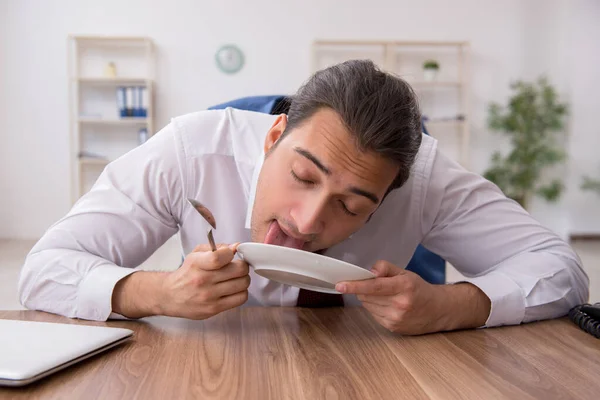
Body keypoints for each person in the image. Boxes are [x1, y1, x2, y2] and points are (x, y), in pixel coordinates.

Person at [18, 60, 589, 335]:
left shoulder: (430, 179)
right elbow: (45, 269)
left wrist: (454, 304)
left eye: (353, 205)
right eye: (304, 176)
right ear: (274, 136)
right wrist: (155, 291)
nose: (306, 220)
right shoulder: (191, 150)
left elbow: (560, 269)